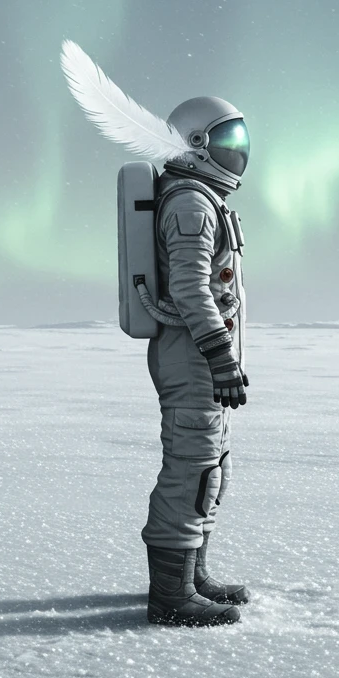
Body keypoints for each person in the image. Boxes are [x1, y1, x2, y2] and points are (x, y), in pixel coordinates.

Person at [139, 97, 252, 626]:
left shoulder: (200, 197)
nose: (235, 153)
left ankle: (190, 576)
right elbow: (190, 289)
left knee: (211, 467)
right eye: (225, 142)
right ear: (196, 144)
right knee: (192, 469)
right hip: (192, 355)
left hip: (199, 353)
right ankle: (170, 597)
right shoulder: (190, 203)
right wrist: (218, 354)